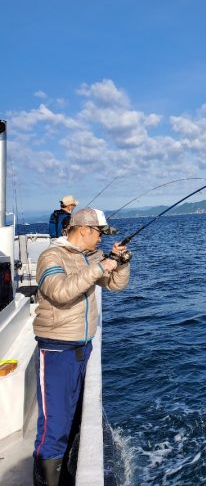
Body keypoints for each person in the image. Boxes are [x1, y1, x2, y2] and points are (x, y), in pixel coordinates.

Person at [33, 208, 130, 486]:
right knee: (54, 427)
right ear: (84, 229)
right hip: (56, 350)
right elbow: (60, 292)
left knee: (71, 421)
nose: (101, 238)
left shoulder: (89, 257)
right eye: (99, 232)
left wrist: (120, 263)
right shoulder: (51, 256)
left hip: (82, 348)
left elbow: (116, 286)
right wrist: (101, 267)